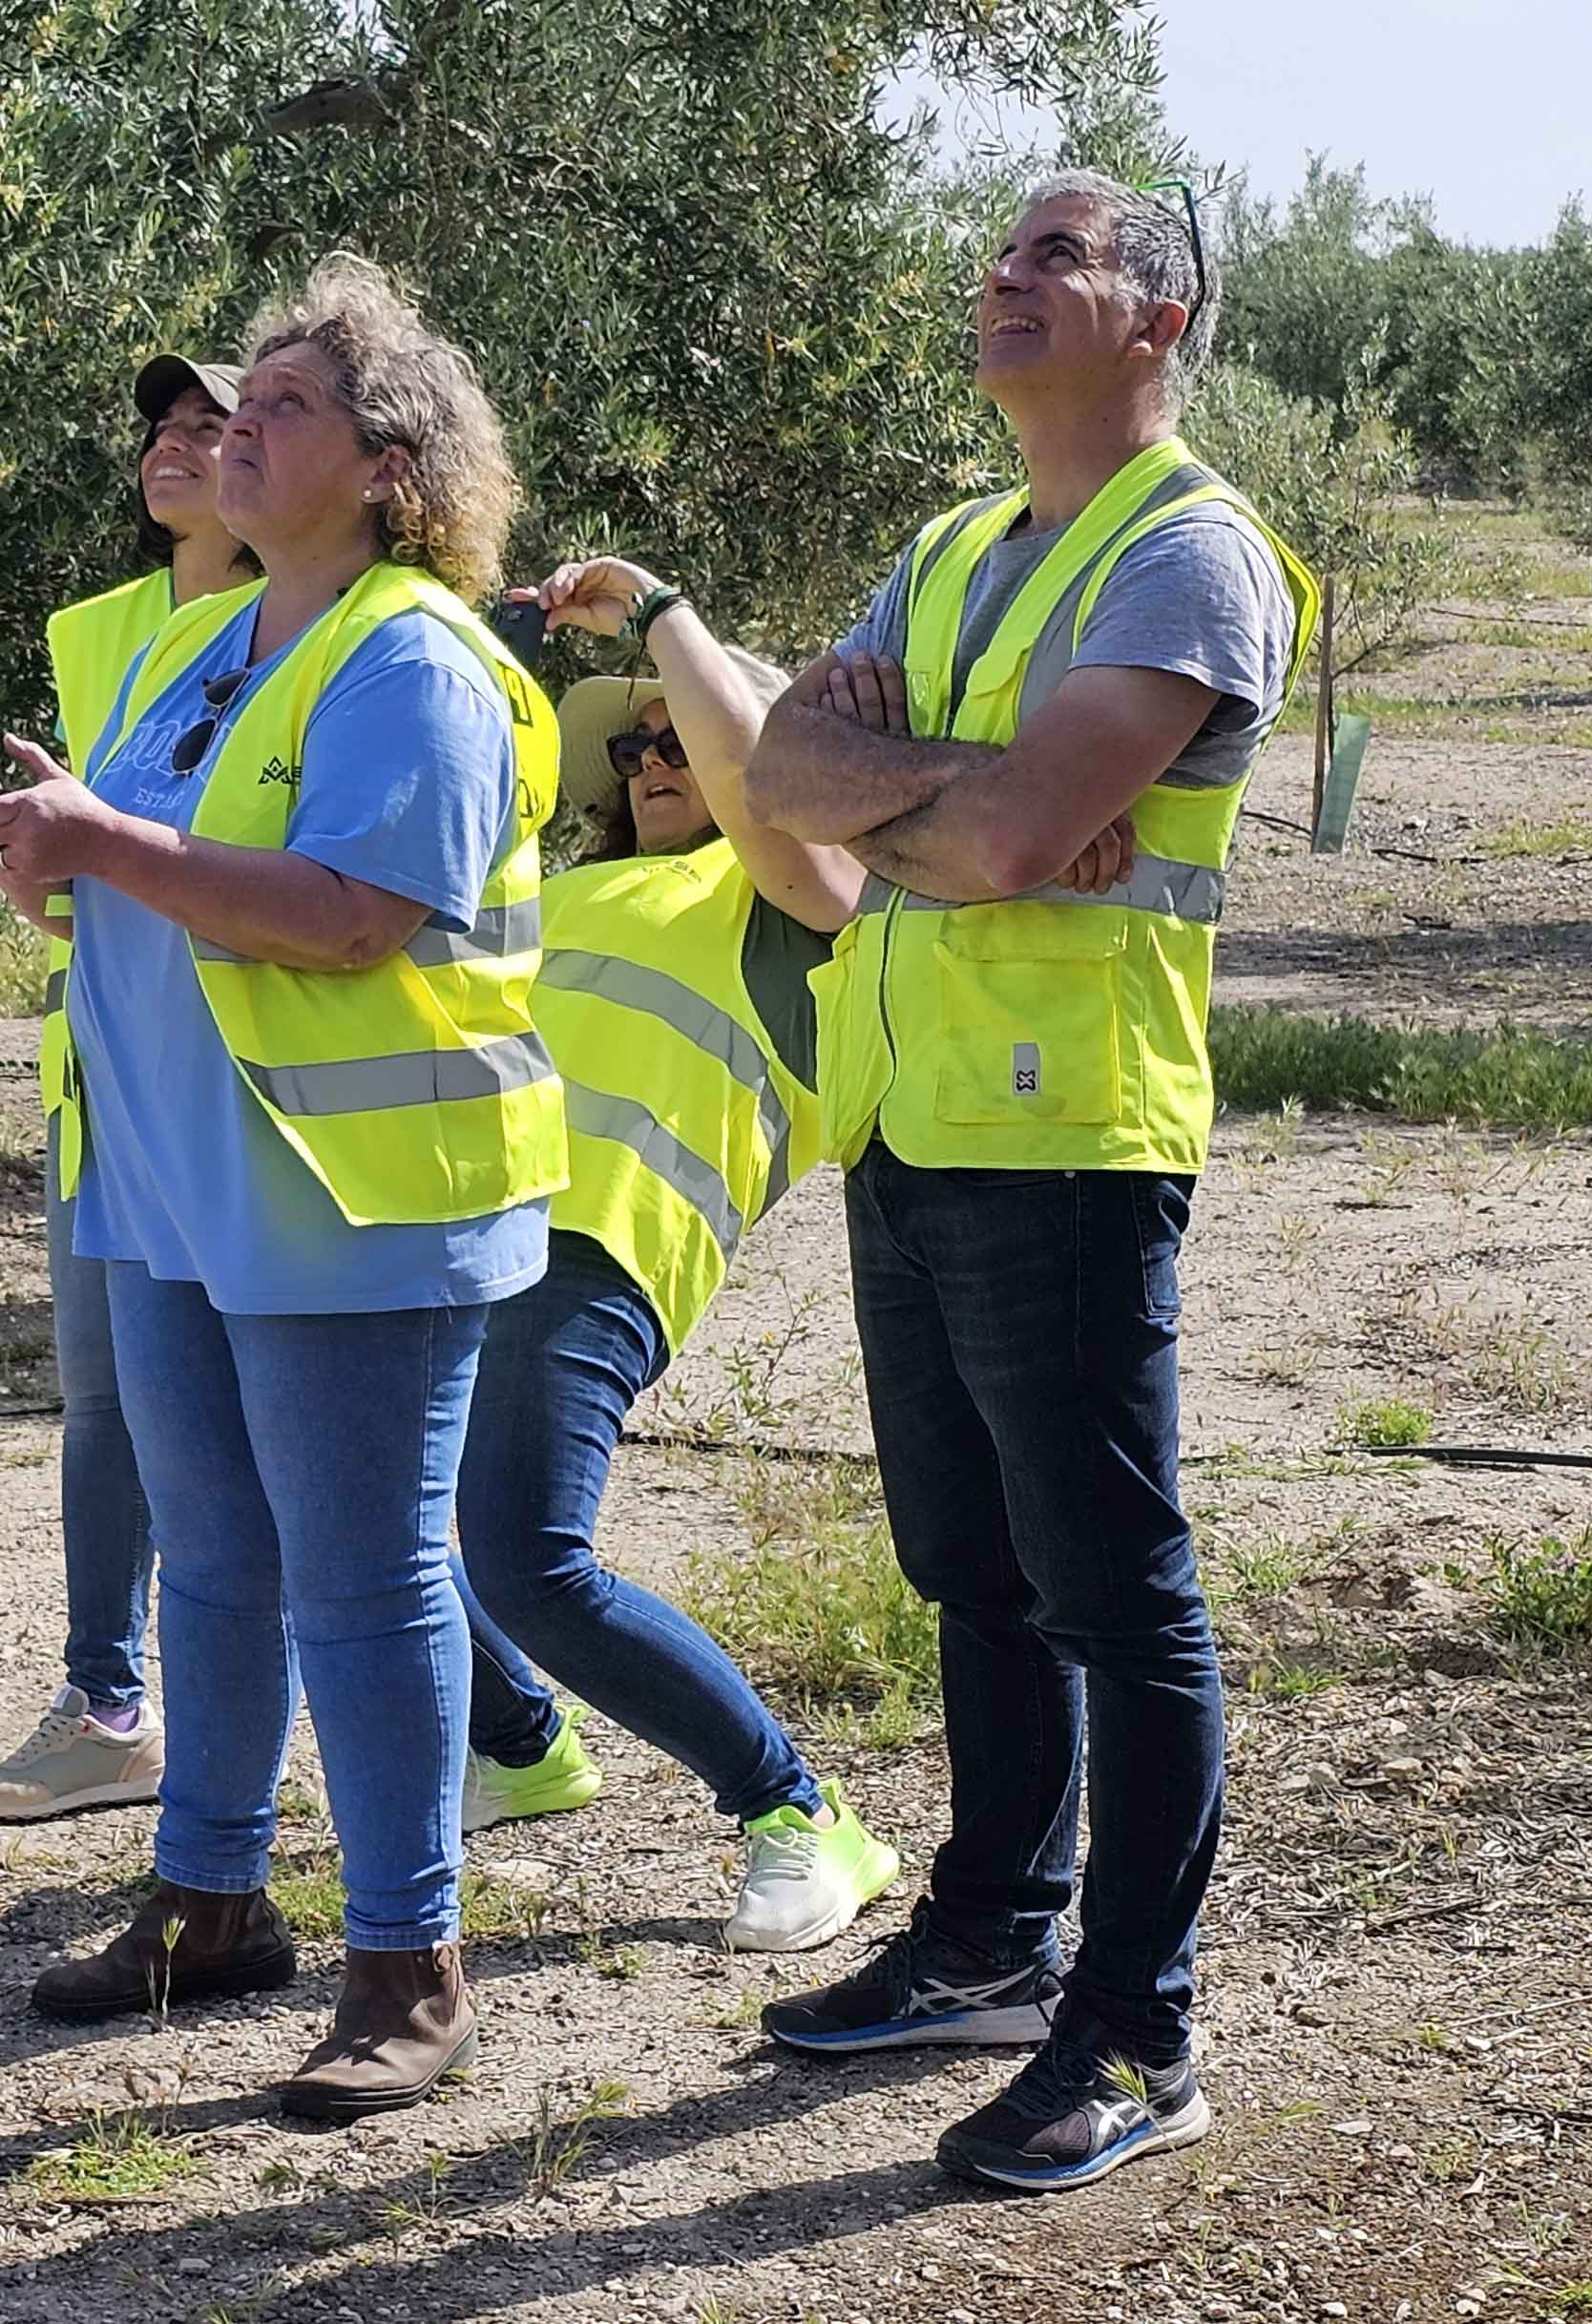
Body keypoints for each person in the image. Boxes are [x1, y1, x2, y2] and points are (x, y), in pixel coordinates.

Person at [0, 254, 566, 2120]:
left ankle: (410, 1963)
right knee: (212, 1566)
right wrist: (29, 841)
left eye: (281, 407)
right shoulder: (216, 640)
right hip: (182, 1182)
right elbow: (145, 859)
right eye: (237, 404)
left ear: (390, 463)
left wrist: (108, 836)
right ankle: (210, 1905)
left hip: (355, 1196)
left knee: (361, 1585)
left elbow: (357, 919)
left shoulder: (417, 658)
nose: (231, 430)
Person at [742, 173, 1316, 2190]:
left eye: (1053, 257)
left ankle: (1140, 2034)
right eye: (1002, 254)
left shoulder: (1196, 555)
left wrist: (930, 804)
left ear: (1157, 319)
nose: (1001, 278)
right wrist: (950, 802)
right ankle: (991, 1937)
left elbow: (1011, 838)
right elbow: (778, 785)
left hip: (1069, 1128)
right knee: (966, 1572)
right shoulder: (956, 538)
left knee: (1114, 1594)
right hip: (910, 1113)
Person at [444, 551, 906, 1950]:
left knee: (529, 1560)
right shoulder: (556, 892)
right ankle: (518, 1746)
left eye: (679, 740)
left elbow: (776, 807)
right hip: (445, 1218)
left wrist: (657, 623)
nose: (654, 757)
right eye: (635, 744)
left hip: (596, 1241)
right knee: (346, 1514)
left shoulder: (794, 895)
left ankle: (795, 1810)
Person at [0, 354, 256, 1823]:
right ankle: (107, 1698)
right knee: (105, 1403)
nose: (174, 446)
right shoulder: (95, 631)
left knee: (308, 1421)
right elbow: (80, 901)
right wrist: (0, 856)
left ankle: (490, 1718)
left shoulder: (329, 629)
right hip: (107, 1072)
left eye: (216, 423)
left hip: (262, 1072)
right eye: (161, 426)